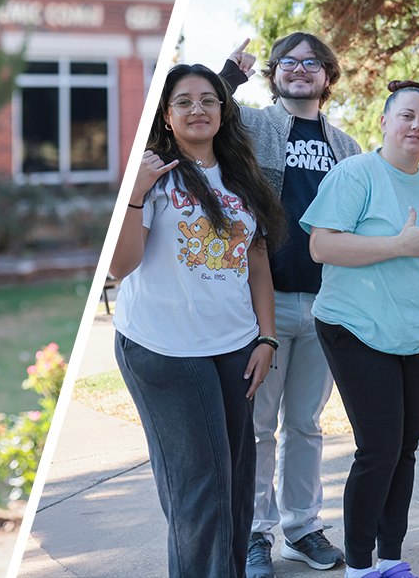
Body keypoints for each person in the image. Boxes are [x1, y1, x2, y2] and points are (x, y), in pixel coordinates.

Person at [110, 63, 284, 577]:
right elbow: (120, 267)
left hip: (233, 346)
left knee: (234, 484)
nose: (197, 109)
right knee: (200, 490)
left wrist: (267, 337)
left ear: (223, 110)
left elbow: (257, 265)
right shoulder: (150, 174)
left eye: (209, 99)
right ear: (166, 116)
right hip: (163, 348)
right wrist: (136, 192)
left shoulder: (241, 179)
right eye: (183, 101)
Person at [301, 81, 419, 578]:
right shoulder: (356, 174)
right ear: (386, 122)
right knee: (379, 449)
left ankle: (391, 557)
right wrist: (396, 245)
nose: (417, 126)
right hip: (357, 328)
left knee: (405, 450)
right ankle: (361, 565)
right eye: (407, 116)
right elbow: (322, 247)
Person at [220, 32, 360, 575]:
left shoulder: (345, 146)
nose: (299, 70)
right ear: (273, 73)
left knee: (305, 423)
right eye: (287, 63)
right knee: (258, 423)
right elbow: (200, 109)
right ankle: (256, 532)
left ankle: (302, 526)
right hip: (266, 302)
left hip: (326, 301)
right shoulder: (254, 125)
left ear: (328, 75)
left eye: (311, 63)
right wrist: (230, 72)